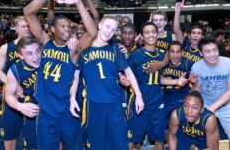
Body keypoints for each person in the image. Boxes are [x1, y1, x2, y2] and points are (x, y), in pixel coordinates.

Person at [23, 0, 97, 150]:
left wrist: (79, 2)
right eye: (62, 26)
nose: (67, 29)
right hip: (46, 111)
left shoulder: (73, 49)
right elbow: (28, 12)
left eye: (69, 26)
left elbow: (93, 33)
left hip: (67, 111)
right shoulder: (45, 42)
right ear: (52, 29)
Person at [75, 16, 144, 150]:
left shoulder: (115, 48)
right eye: (107, 27)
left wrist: (139, 96)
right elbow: (76, 75)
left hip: (115, 103)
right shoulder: (84, 49)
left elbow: (129, 72)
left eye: (113, 30)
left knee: (119, 143)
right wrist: (72, 98)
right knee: (97, 144)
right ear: (99, 25)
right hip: (93, 103)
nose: (109, 31)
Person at [191, 37, 230, 150]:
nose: (212, 54)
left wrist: (213, 107)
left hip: (226, 106)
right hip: (205, 106)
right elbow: (198, 88)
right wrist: (193, 91)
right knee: (210, 139)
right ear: (201, 53)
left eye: (215, 50)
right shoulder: (196, 67)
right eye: (207, 51)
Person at [127, 22, 165, 150]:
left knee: (159, 138)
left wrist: (176, 82)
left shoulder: (162, 56)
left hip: (157, 102)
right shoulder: (135, 55)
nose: (151, 35)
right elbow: (126, 76)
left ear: (157, 34)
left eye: (153, 31)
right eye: (147, 32)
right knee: (132, 138)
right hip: (140, 103)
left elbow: (160, 79)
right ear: (142, 36)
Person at [0, 16, 32, 150]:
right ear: (15, 28)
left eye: (29, 26)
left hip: (33, 92)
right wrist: (12, 84)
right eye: (23, 26)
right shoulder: (6, 48)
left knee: (33, 133)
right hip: (13, 92)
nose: (27, 29)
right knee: (9, 131)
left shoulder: (37, 45)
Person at [4, 37, 42, 150]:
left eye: (37, 51)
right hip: (31, 106)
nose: (36, 57)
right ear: (20, 56)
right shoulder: (15, 70)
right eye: (29, 53)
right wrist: (19, 106)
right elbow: (8, 95)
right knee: (31, 144)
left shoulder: (48, 59)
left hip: (51, 106)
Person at [161, 41, 191, 130]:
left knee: (179, 128)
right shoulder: (161, 64)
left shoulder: (188, 65)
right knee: (163, 128)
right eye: (172, 52)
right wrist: (176, 81)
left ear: (182, 53)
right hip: (164, 98)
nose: (175, 55)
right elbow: (157, 79)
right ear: (167, 53)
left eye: (178, 52)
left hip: (180, 99)